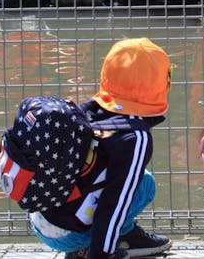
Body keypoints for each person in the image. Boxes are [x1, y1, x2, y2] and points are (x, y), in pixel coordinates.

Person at [28, 37, 174, 259]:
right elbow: (115, 202)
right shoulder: (135, 137)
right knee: (145, 184)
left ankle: (95, 243)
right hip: (69, 234)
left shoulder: (87, 110)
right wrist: (102, 254)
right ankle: (96, 245)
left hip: (41, 221)